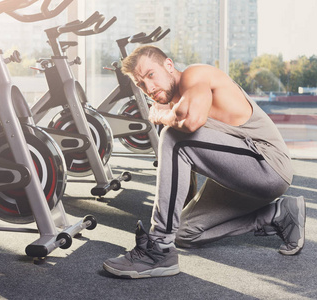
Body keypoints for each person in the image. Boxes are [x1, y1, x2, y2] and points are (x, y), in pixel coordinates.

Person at [103, 45, 306, 279]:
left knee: (172, 136)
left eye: (150, 75)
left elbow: (191, 122)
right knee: (184, 233)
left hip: (268, 166)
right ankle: (277, 214)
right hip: (236, 175)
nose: (148, 88)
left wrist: (162, 116)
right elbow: (182, 170)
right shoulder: (175, 104)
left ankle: (158, 249)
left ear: (169, 65)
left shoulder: (195, 75)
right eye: (140, 84)